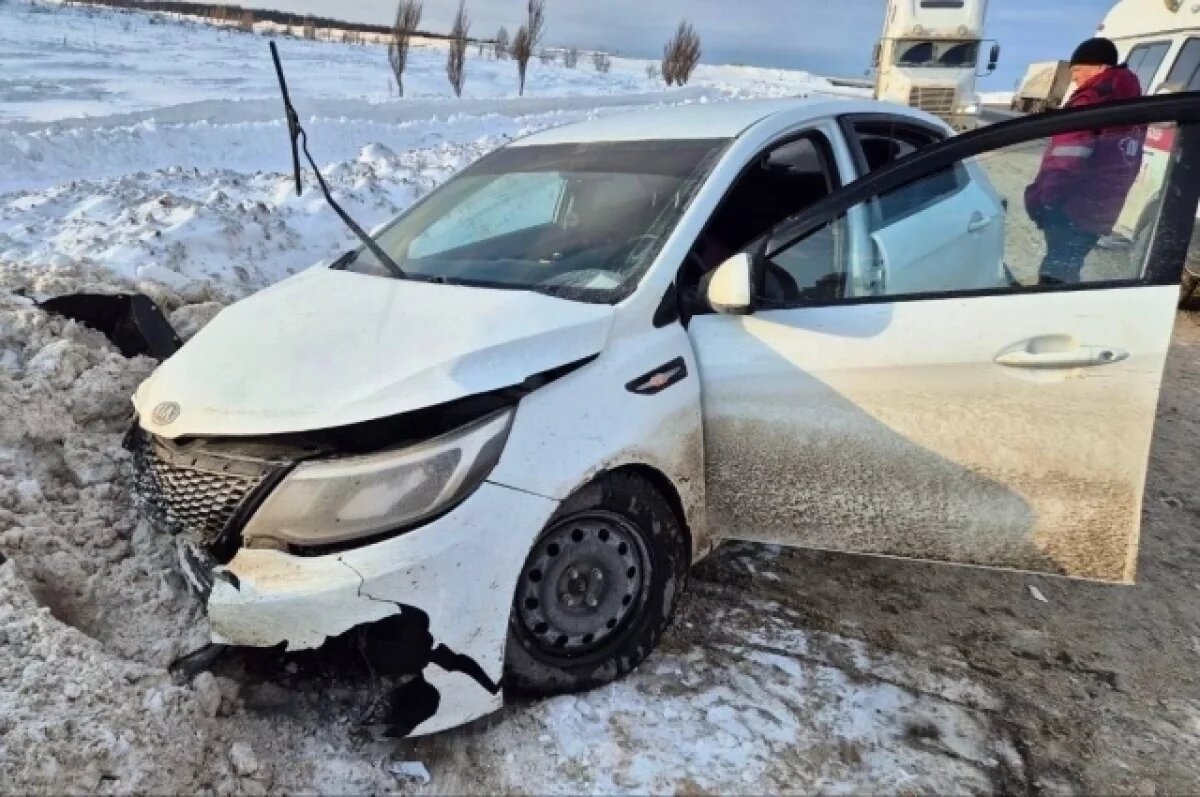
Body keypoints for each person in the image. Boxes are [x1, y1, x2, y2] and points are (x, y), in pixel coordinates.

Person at [1024, 37, 1144, 285]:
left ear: (1099, 67)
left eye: (1077, 70)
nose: (1075, 78)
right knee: (1067, 269)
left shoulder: (1091, 101)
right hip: (1099, 211)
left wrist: (1046, 200)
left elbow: (1066, 159)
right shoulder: (1134, 106)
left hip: (1071, 208)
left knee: (1054, 276)